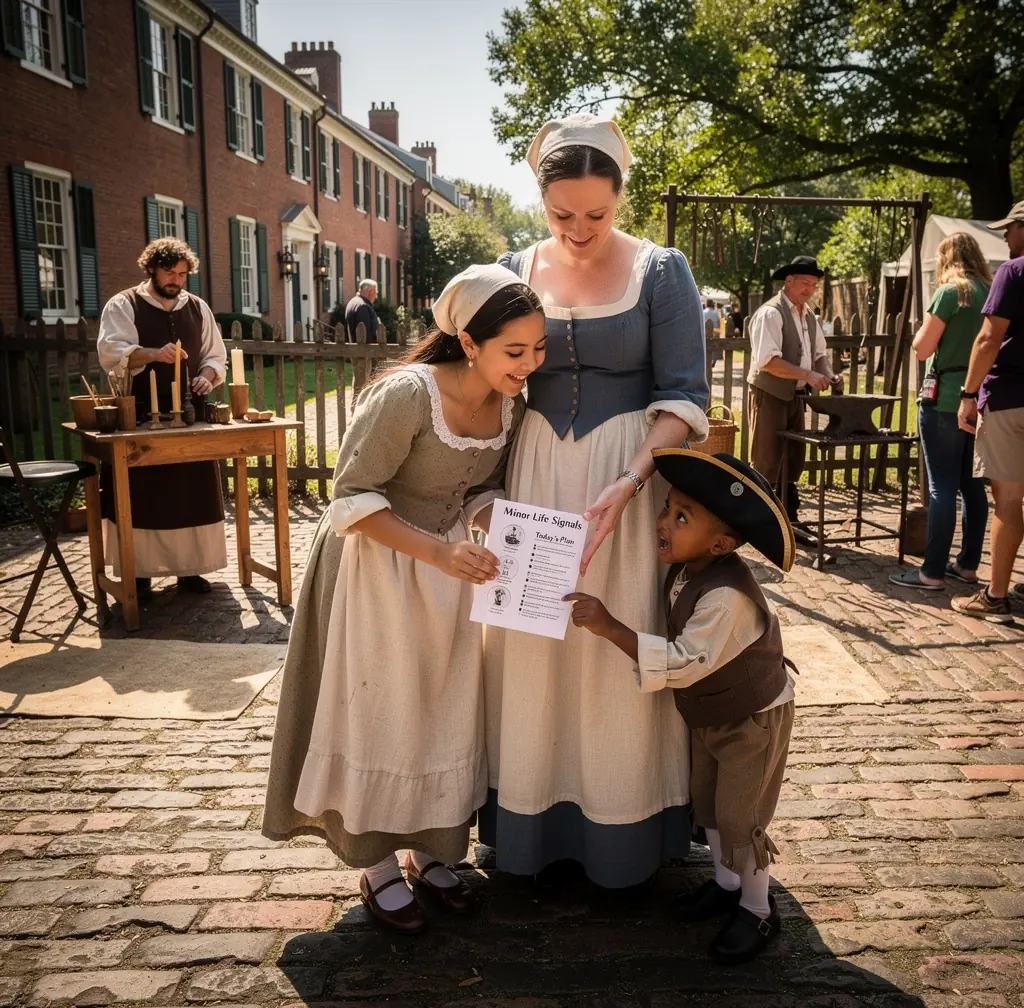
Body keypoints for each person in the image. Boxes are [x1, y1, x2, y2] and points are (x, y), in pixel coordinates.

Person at [261, 265, 545, 933]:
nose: (529, 365)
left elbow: (483, 487)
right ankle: (377, 864)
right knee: (381, 708)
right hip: (376, 566)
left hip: (446, 572)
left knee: (439, 703)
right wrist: (440, 551)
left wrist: (483, 523)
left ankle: (427, 849)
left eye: (537, 350)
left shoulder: (513, 404)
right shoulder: (406, 397)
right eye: (515, 351)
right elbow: (351, 498)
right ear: (470, 344)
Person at [480, 113, 709, 888]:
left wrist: (630, 482)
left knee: (614, 646)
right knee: (534, 646)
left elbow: (684, 397)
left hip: (628, 478)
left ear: (621, 197)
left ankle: (625, 827)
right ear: (540, 200)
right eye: (561, 215)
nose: (578, 231)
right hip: (537, 474)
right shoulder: (513, 267)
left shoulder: (661, 270)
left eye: (597, 215)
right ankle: (530, 822)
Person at [565, 448, 795, 963]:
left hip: (752, 719)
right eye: (667, 508)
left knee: (742, 817)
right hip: (713, 714)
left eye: (681, 517)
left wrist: (610, 627)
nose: (664, 523)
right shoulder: (691, 568)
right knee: (709, 803)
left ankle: (758, 910)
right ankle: (725, 882)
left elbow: (685, 662)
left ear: (722, 542)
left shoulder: (726, 598)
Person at [96, 238, 227, 598]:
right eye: (169, 272)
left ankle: (191, 569)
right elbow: (111, 353)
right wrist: (153, 354)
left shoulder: (198, 307)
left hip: (190, 418)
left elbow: (216, 356)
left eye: (182, 274)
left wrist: (208, 376)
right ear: (151, 268)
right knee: (143, 496)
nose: (176, 280)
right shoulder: (124, 305)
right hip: (140, 416)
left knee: (191, 493)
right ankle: (138, 571)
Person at [890, 233, 991, 591]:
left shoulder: (953, 293)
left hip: (945, 399)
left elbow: (922, 347)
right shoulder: (990, 291)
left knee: (942, 487)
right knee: (973, 485)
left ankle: (931, 572)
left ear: (947, 259)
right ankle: (967, 565)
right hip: (979, 399)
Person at [953, 202, 1024, 624]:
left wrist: (968, 393)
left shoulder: (1013, 272)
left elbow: (988, 337)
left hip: (1011, 397)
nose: (1004, 236)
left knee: (1009, 500)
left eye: (1010, 227)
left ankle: (996, 597)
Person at [746, 255, 843, 533]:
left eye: (813, 285)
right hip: (770, 393)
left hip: (795, 396)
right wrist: (808, 375)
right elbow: (768, 361)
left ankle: (790, 517)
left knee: (793, 456)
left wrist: (829, 372)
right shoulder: (771, 313)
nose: (809, 290)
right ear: (788, 281)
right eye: (804, 283)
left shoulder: (809, 315)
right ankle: (759, 521)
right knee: (767, 457)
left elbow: (819, 355)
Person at [345, 278, 381, 343]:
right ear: (370, 291)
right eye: (376, 292)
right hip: (365, 350)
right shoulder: (363, 306)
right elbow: (366, 334)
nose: (376, 296)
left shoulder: (352, 302)